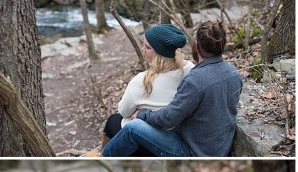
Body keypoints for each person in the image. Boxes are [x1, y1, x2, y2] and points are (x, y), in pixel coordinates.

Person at [102, 14, 243, 158]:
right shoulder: (234, 73)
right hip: (220, 147)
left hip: (193, 151)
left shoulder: (195, 80)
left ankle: (103, 159)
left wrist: (141, 114)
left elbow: (169, 118)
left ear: (196, 45)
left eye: (147, 47)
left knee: (132, 127)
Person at [102, 21, 193, 148]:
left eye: (148, 47)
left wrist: (141, 110)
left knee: (113, 120)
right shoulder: (190, 70)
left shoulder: (142, 80)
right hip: (175, 136)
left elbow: (123, 111)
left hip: (145, 140)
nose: (143, 49)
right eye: (143, 45)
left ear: (160, 53)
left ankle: (104, 154)